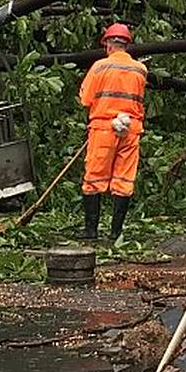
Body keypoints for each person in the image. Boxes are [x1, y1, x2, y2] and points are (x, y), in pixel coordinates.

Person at [77, 22, 147, 242]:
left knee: (94, 178)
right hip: (131, 129)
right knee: (124, 180)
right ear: (126, 44)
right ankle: (116, 233)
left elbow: (85, 99)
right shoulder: (140, 69)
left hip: (104, 129)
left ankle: (91, 231)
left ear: (107, 44)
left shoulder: (99, 67)